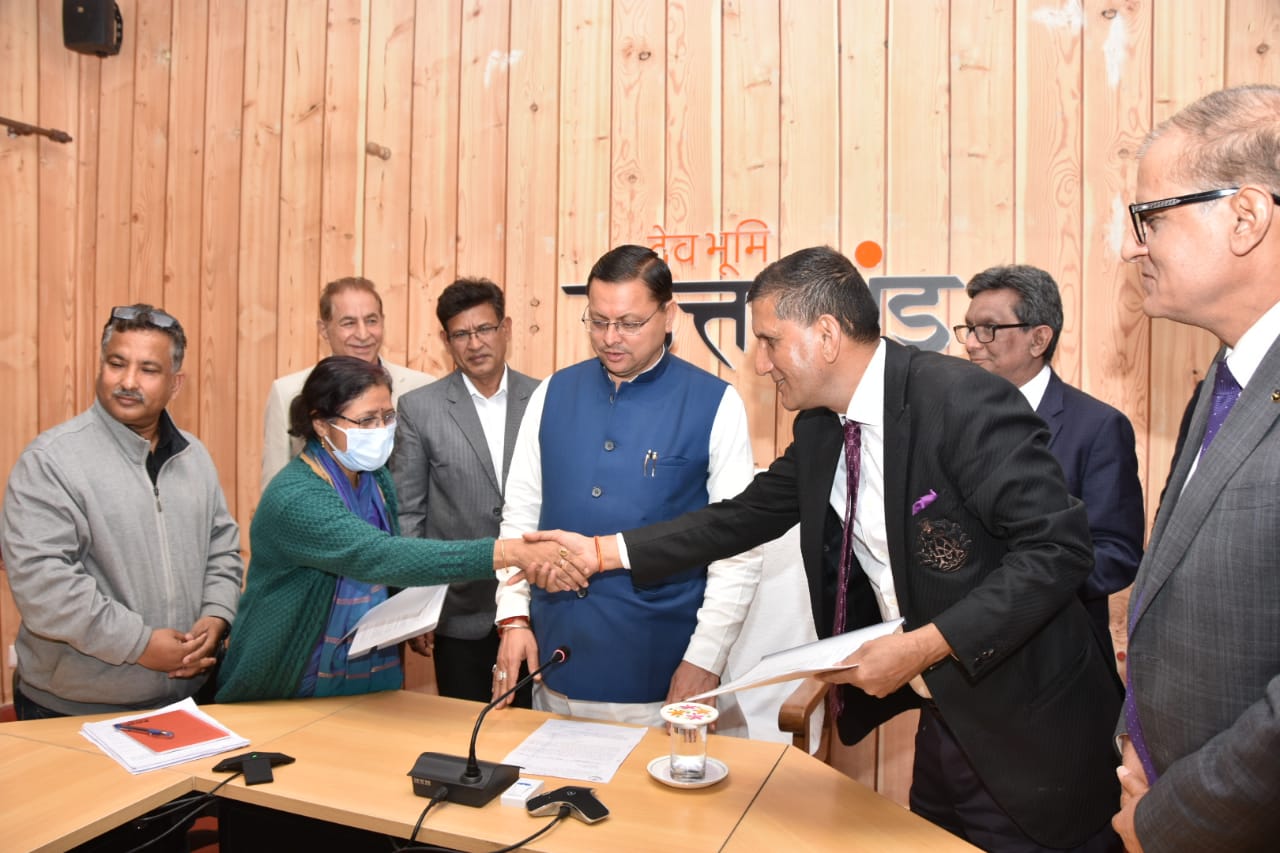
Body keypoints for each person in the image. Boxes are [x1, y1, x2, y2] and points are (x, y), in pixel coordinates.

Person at [527, 246, 1123, 852]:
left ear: (828, 335)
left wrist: (922, 646)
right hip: (943, 715)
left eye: (769, 341)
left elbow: (1057, 550)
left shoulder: (962, 399)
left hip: (1030, 723)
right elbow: (741, 517)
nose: (761, 363)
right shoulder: (820, 426)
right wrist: (603, 552)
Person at [492, 244, 762, 728]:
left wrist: (705, 660)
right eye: (598, 321)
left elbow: (737, 551)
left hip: (660, 677)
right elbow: (519, 517)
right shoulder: (551, 393)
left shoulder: (716, 403)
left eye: (629, 323)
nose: (611, 338)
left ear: (669, 315)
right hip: (554, 664)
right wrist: (513, 617)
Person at [1111, 84, 1280, 852]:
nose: (1131, 246)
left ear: (1246, 216)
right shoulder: (1226, 375)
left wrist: (1171, 817)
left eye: (1150, 217)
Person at [217, 356, 563, 702]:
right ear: (321, 424)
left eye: (387, 416)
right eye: (366, 420)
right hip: (285, 679)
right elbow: (378, 555)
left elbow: (391, 547)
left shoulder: (374, 478)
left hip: (362, 667)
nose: (381, 429)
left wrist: (410, 610)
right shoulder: (296, 496)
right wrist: (506, 552)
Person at [1, 304, 243, 719]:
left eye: (148, 370)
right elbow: (45, 586)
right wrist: (140, 645)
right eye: (117, 364)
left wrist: (217, 615)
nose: (128, 382)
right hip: (74, 708)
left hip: (190, 697)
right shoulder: (50, 461)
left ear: (176, 383)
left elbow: (222, 549)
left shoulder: (194, 456)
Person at [958, 264, 1144, 660]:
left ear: (1039, 338)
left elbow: (1117, 554)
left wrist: (1020, 595)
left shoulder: (1098, 427)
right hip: (965, 651)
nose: (972, 343)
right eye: (969, 329)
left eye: (988, 328)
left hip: (1059, 653)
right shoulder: (953, 421)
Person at [389, 278, 538, 703]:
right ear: (446, 340)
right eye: (461, 334)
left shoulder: (544, 397)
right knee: (462, 729)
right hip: (458, 612)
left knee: (537, 728)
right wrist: (415, 603)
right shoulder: (419, 409)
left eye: (485, 329)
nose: (475, 344)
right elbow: (409, 514)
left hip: (536, 607)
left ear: (505, 328)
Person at [261, 276, 434, 490]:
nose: (363, 334)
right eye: (349, 323)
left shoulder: (421, 388)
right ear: (323, 329)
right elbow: (275, 484)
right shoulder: (287, 392)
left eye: (371, 320)